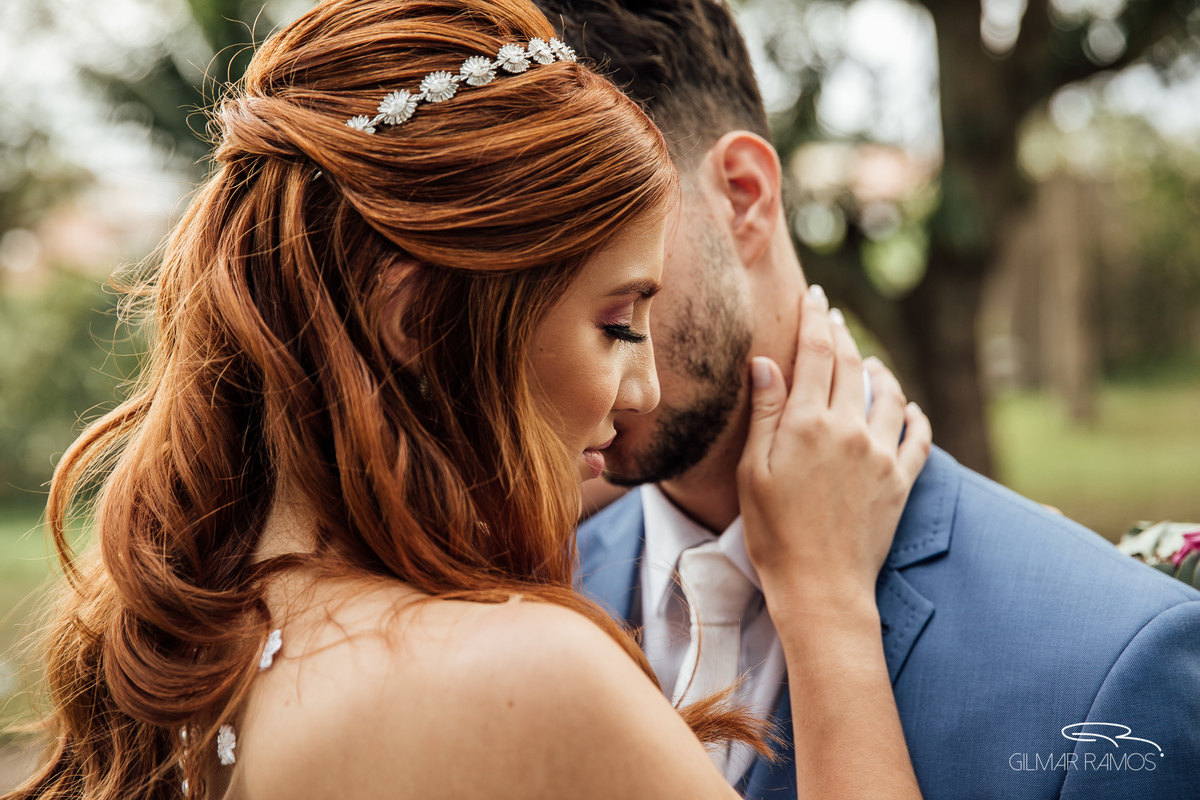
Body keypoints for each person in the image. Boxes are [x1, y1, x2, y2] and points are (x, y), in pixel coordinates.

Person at [6, 0, 938, 798]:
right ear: (413, 316)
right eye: (617, 324)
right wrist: (825, 605)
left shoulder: (195, 640)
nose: (642, 387)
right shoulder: (528, 674)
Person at [531, 0, 1200, 797]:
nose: (546, 340)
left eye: (577, 251)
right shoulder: (535, 608)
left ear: (743, 196)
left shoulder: (1111, 658)